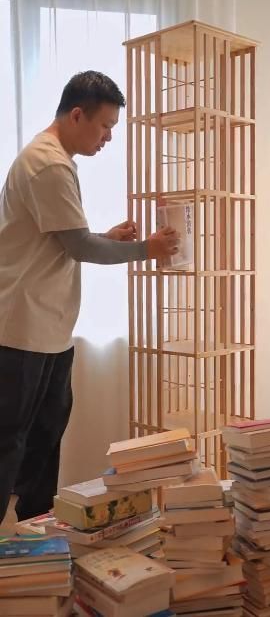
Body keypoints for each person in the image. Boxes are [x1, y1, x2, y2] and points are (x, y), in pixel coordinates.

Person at [0, 70, 179, 525]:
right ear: (77, 114)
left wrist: (107, 236)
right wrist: (145, 249)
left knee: (45, 433)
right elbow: (78, 248)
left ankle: (36, 533)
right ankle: (14, 549)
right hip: (23, 327)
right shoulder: (49, 164)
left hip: (49, 328)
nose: (108, 137)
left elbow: (64, 238)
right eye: (104, 126)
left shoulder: (56, 160)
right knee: (11, 440)